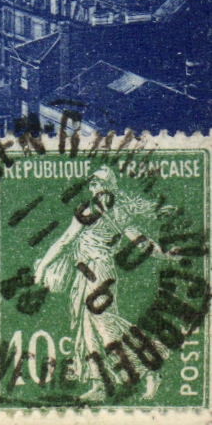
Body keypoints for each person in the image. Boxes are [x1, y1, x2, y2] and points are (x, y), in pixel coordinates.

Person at [33, 166, 169, 400]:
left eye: (97, 183)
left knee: (106, 327)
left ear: (108, 186)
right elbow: (138, 239)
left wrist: (44, 266)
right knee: (88, 330)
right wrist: (163, 253)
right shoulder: (117, 211)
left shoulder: (95, 210)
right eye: (91, 184)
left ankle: (149, 369)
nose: (92, 187)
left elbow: (65, 240)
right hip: (89, 273)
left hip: (98, 271)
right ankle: (100, 384)